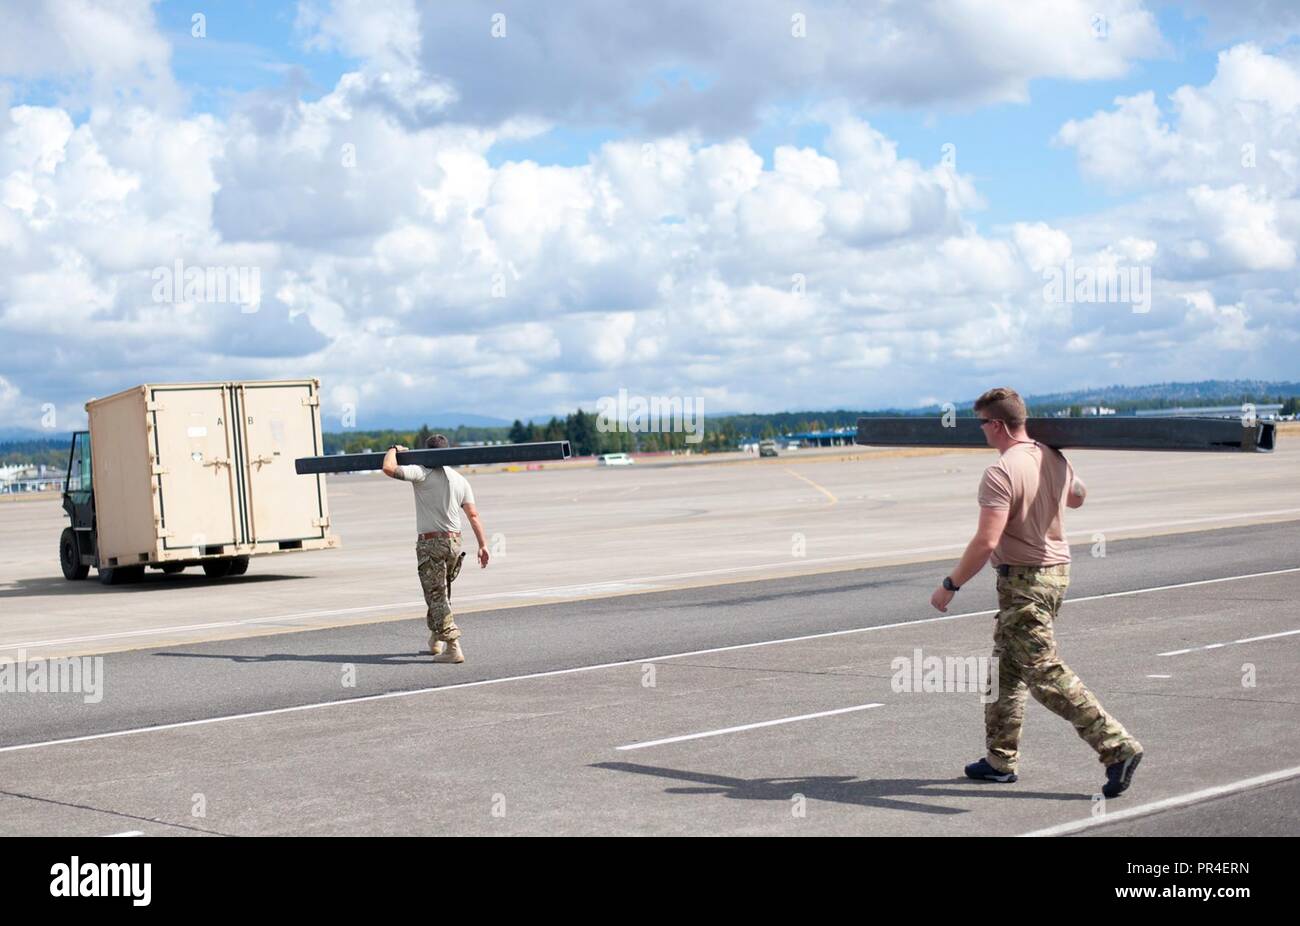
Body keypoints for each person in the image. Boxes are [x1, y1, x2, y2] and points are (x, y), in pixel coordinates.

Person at [929, 387, 1143, 798]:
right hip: (1054, 574)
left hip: (1024, 580)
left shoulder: (1000, 471)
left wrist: (950, 585)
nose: (981, 433)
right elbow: (1078, 497)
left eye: (982, 425)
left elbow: (985, 542)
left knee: (1044, 673)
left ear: (995, 425)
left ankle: (1118, 748)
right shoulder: (1053, 455)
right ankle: (998, 760)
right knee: (1004, 673)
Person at [382, 435, 490, 664]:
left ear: (427, 453)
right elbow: (473, 515)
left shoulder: (421, 472)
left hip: (431, 543)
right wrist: (483, 544)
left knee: (436, 594)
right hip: (454, 543)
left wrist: (394, 449)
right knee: (440, 591)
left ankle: (453, 646)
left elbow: (388, 468)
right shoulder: (460, 479)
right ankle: (436, 638)